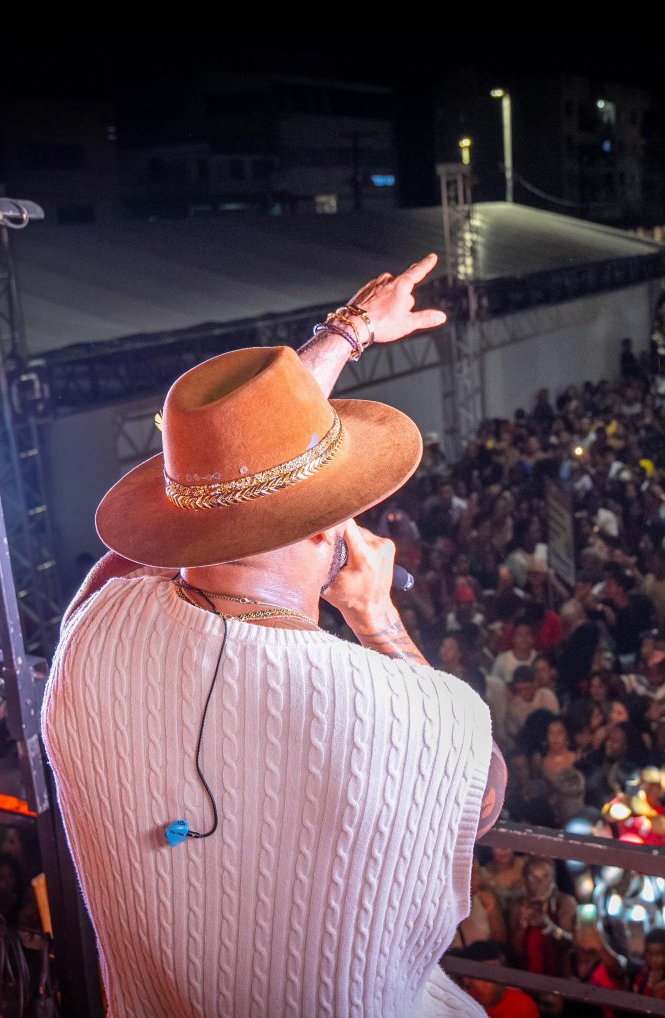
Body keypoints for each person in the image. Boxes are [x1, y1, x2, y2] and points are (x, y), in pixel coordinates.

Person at [41, 256, 506, 1018]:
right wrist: (376, 619)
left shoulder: (93, 628)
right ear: (330, 526)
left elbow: (158, 540)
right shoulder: (406, 707)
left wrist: (338, 341)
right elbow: (484, 793)